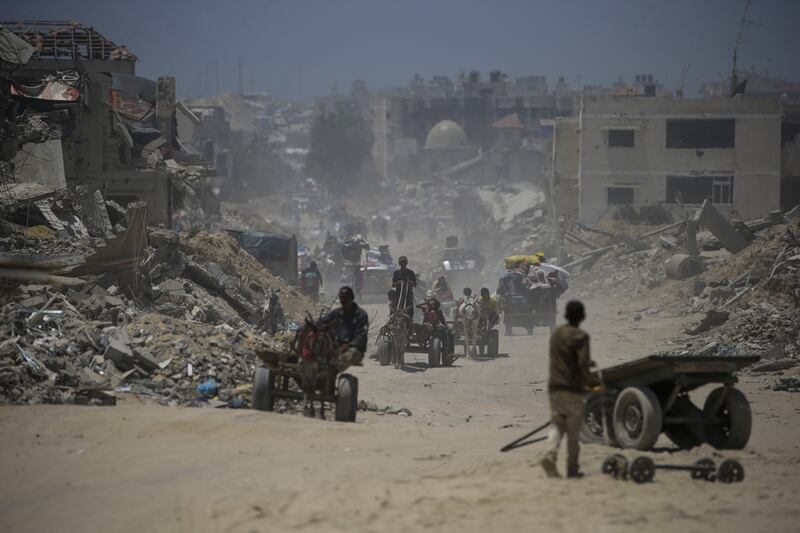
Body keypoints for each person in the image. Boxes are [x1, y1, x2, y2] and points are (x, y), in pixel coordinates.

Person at [540, 300, 599, 479]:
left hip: (554, 387)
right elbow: (582, 364)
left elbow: (561, 358)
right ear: (582, 316)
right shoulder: (581, 336)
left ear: (565, 315)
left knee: (558, 424)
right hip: (572, 388)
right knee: (573, 430)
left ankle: (550, 455)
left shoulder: (556, 333)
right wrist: (590, 381)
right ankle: (572, 469)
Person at [319, 286, 369, 372]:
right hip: (337, 347)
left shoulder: (361, 315)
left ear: (352, 298)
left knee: (341, 360)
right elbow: (322, 321)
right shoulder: (336, 313)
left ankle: (332, 372)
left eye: (346, 297)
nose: (343, 300)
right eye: (341, 297)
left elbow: (361, 336)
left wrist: (349, 345)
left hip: (354, 349)